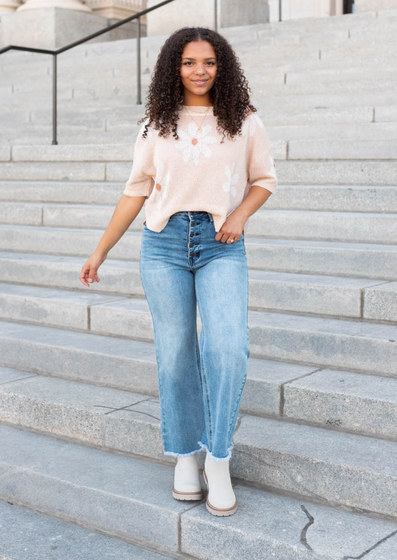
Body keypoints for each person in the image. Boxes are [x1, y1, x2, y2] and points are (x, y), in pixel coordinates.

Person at [79, 26, 278, 517]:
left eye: (209, 62)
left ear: (222, 66)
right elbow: (136, 190)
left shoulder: (243, 120)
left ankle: (218, 458)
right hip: (163, 245)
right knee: (176, 352)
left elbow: (265, 179)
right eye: (189, 62)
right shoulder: (155, 122)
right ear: (175, 67)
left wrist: (239, 216)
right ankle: (185, 455)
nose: (199, 71)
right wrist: (101, 250)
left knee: (227, 346)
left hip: (221, 244)